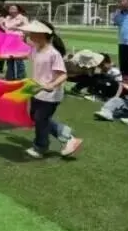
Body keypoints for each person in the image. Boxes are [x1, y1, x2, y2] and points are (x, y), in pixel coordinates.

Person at [23, 20, 83, 159]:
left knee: (40, 119)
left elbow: (63, 75)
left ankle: (40, 147)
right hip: (36, 90)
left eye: (32, 32)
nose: (29, 34)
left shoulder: (53, 53)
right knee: (36, 117)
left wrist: (51, 85)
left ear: (42, 34)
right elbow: (24, 54)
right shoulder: (36, 49)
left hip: (50, 95)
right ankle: (67, 136)